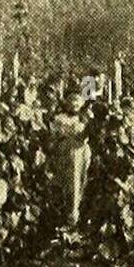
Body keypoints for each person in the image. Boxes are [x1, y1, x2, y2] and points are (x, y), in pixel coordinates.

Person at [50, 90, 91, 231]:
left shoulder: (85, 117)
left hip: (81, 151)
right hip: (66, 151)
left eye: (77, 101)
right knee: (68, 182)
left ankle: (76, 214)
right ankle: (69, 215)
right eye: (72, 100)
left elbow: (85, 136)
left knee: (80, 180)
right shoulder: (60, 118)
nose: (74, 104)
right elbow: (56, 135)